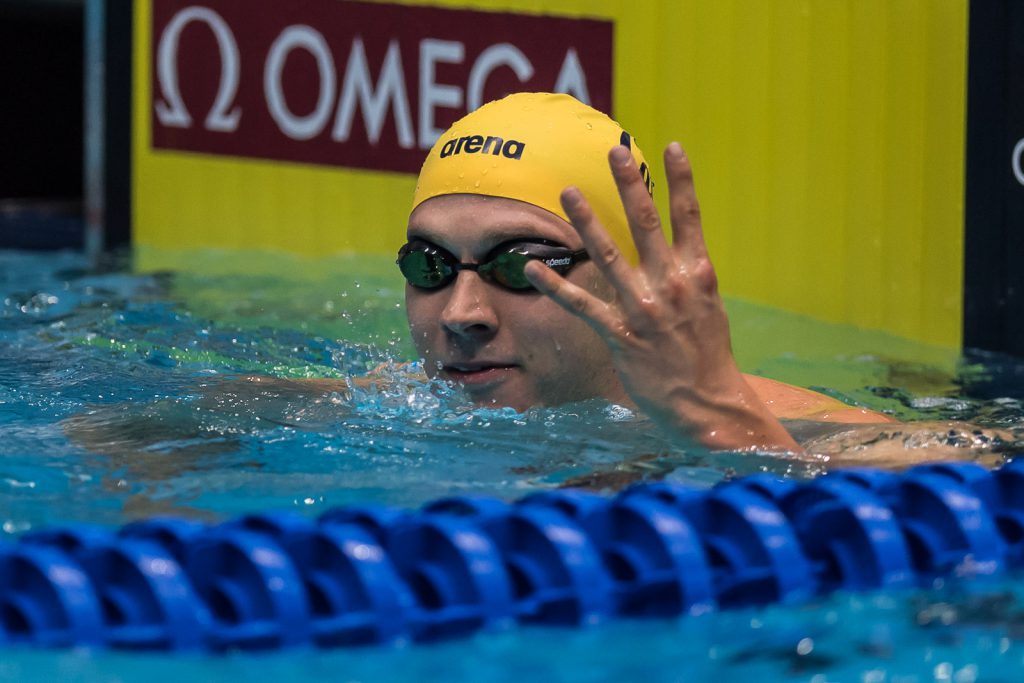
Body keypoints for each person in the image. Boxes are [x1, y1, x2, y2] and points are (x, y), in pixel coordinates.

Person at [399, 91, 892, 454]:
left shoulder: (836, 437)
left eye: (518, 264)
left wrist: (717, 421)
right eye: (430, 265)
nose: (461, 313)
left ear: (627, 282)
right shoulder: (386, 409)